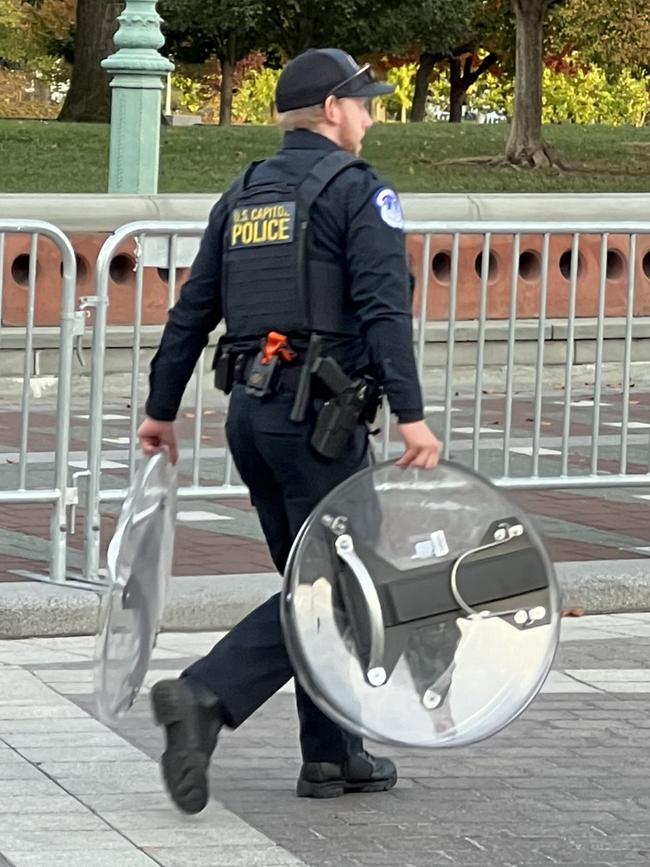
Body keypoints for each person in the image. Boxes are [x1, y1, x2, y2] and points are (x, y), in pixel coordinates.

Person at [138, 47, 442, 811]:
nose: (371, 118)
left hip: (253, 415)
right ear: (332, 110)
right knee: (338, 588)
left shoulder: (243, 194)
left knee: (317, 587)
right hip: (320, 423)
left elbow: (192, 309)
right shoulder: (356, 192)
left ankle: (332, 758)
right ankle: (205, 694)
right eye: (364, 104)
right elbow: (383, 310)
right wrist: (411, 415)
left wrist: (160, 407)